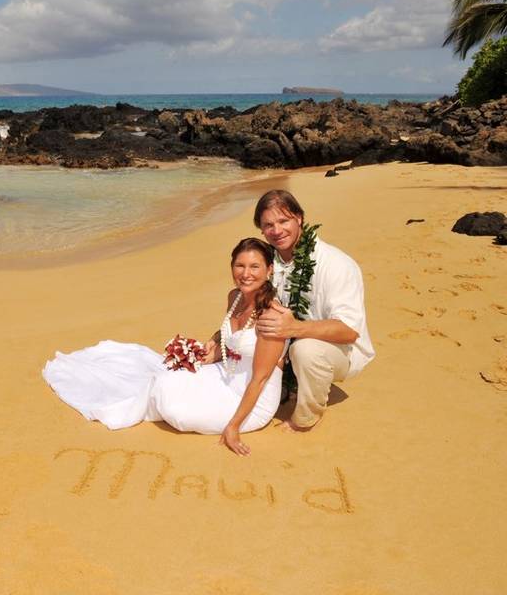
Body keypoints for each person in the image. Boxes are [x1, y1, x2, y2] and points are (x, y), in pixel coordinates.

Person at [42, 238, 287, 456]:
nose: (246, 273)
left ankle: (228, 416)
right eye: (240, 265)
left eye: (254, 267)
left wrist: (233, 427)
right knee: (164, 382)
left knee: (176, 412)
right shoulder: (234, 297)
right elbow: (232, 337)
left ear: (269, 270)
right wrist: (210, 348)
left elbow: (261, 379)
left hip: (253, 399)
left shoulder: (271, 316)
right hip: (227, 374)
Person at [253, 190, 374, 431]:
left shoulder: (336, 264)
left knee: (305, 349)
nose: (276, 231)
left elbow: (350, 331)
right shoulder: (270, 262)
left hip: (342, 351)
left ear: (299, 218)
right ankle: (282, 383)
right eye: (268, 225)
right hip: (288, 344)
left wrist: (294, 328)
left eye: (283, 221)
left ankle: (306, 417)